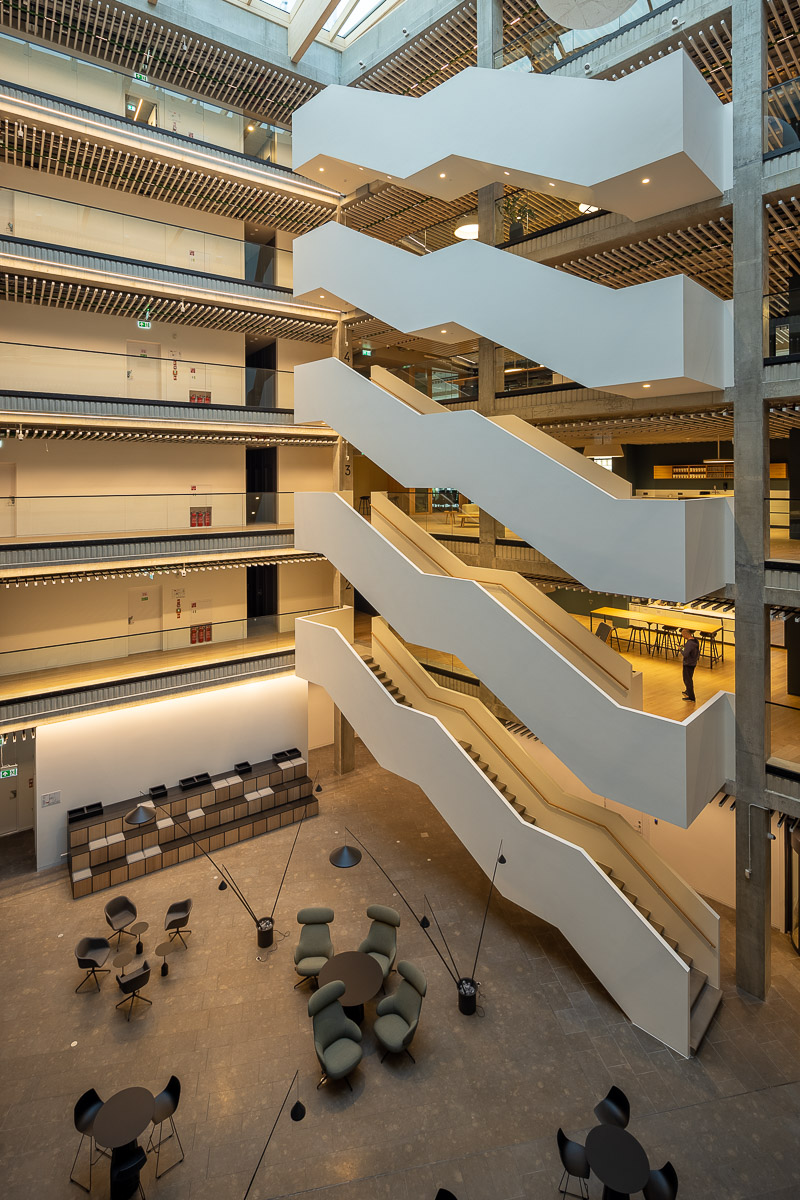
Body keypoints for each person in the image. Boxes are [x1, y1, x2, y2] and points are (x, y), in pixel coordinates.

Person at [681, 628, 700, 702]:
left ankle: (691, 697)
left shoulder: (689, 644)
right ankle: (688, 691)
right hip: (693, 662)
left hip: (688, 663)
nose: (683, 636)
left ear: (686, 634)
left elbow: (685, 654)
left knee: (687, 680)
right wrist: (685, 648)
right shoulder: (695, 641)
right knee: (689, 678)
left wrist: (681, 649)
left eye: (683, 635)